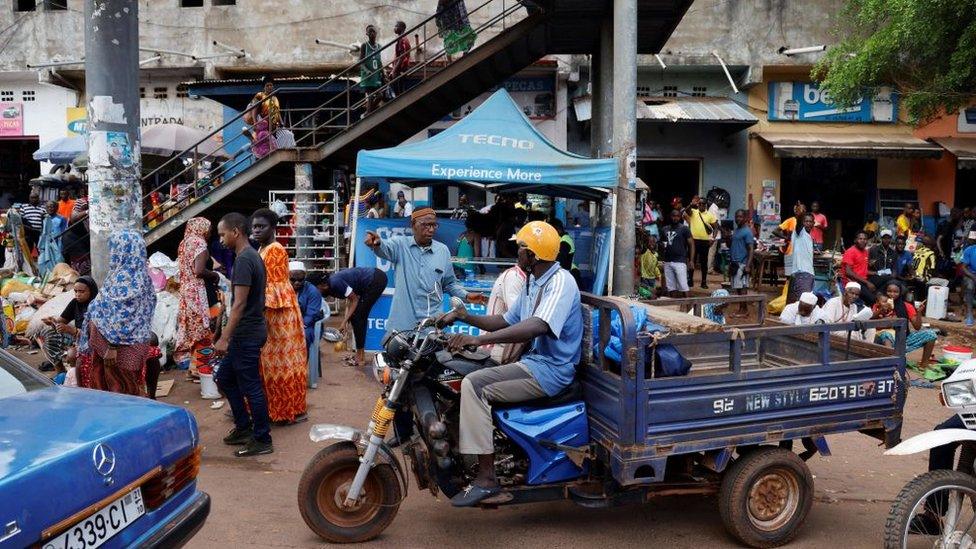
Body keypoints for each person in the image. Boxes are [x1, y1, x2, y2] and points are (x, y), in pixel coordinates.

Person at [435, 221, 581, 506]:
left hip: (551, 371)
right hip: (533, 363)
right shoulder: (532, 281)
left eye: (521, 249)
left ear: (533, 255)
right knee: (466, 372)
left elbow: (537, 326)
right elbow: (504, 320)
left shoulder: (561, 282)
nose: (517, 253)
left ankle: (487, 478)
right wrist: (465, 317)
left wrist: (475, 341)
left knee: (474, 386)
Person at [365, 207, 485, 333]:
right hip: (401, 328)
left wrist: (466, 295)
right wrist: (376, 244)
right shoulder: (400, 245)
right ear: (413, 225)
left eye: (434, 225)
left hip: (431, 328)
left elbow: (450, 283)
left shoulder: (442, 251)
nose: (431, 229)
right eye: (426, 225)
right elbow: (385, 248)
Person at [213, 212, 273, 457]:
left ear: (235, 231)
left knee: (251, 387)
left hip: (246, 333)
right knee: (225, 379)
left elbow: (238, 304)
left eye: (222, 234)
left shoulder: (245, 260)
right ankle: (244, 427)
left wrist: (224, 337)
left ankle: (262, 438)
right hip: (249, 330)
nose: (221, 240)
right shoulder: (249, 257)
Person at [250, 208, 308, 425]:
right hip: (273, 310)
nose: (256, 230)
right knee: (276, 362)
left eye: (261, 226)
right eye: (254, 226)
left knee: (281, 363)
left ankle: (285, 411)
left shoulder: (275, 249)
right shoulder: (262, 248)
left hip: (277, 313)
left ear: (273, 228)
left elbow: (271, 288)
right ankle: (276, 408)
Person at [83, 230, 156, 397]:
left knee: (120, 389)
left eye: (113, 249)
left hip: (117, 350)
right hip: (124, 346)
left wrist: (112, 346)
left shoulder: (127, 280)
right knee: (123, 387)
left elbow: (123, 318)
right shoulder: (140, 277)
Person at [309, 267, 388, 367]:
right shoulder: (330, 285)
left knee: (359, 317)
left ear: (323, 285)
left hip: (376, 279)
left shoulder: (335, 284)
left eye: (314, 289)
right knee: (356, 317)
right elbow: (350, 299)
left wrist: (344, 321)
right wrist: (346, 321)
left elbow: (354, 300)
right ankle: (359, 355)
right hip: (370, 280)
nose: (313, 293)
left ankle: (361, 357)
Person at [175, 218, 219, 378]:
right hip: (201, 293)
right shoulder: (199, 243)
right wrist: (215, 274)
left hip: (187, 293)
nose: (210, 233)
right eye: (209, 229)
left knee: (194, 329)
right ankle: (203, 369)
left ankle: (194, 368)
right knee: (206, 330)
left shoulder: (184, 242)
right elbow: (199, 270)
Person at [41, 276, 98, 381]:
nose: (77, 294)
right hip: (77, 338)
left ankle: (80, 378)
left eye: (81, 291)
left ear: (91, 291)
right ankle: (61, 372)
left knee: (72, 355)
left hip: (93, 341)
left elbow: (95, 333)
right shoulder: (75, 303)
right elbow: (61, 321)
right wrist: (52, 322)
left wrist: (72, 330)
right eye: (75, 291)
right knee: (48, 335)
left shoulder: (97, 306)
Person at [874, 281, 937, 371]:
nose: (892, 294)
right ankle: (891, 366)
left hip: (903, 338)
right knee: (886, 335)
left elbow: (917, 327)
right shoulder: (879, 304)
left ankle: (924, 365)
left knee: (931, 334)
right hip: (883, 339)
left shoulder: (907, 306)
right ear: (885, 292)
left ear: (900, 293)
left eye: (896, 292)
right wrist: (881, 310)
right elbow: (872, 320)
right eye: (889, 291)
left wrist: (919, 312)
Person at [484, 264, 528, 363]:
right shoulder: (514, 276)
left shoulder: (530, 279)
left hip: (509, 344)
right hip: (497, 346)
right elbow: (518, 317)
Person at [685, 196, 719, 289]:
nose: (701, 205)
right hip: (693, 241)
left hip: (704, 242)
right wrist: (691, 204)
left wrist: (713, 238)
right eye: (699, 204)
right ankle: (690, 280)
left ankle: (704, 282)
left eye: (703, 204)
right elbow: (686, 210)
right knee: (692, 261)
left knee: (704, 262)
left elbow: (716, 227)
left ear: (706, 205)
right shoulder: (694, 212)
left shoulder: (710, 215)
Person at [289, 261, 324, 347]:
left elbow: (311, 315)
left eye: (300, 280)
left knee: (304, 336)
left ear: (305, 277)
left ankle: (303, 360)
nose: (297, 283)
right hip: (287, 323)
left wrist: (297, 327)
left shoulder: (313, 291)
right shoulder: (283, 289)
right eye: (293, 280)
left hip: (308, 325)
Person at [661, 209, 694, 297]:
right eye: (673, 216)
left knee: (684, 287)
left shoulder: (684, 229)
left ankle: (690, 309)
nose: (675, 218)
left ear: (680, 217)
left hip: (680, 261)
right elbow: (662, 244)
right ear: (670, 217)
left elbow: (692, 244)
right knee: (671, 287)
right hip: (668, 261)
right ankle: (674, 308)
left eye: (677, 216)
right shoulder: (664, 229)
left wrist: (691, 260)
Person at [729, 209, 754, 317]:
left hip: (742, 263)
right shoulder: (736, 230)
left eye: (740, 217)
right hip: (735, 263)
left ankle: (744, 310)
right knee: (738, 288)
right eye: (736, 216)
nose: (738, 219)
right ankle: (742, 309)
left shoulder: (747, 231)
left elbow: (751, 249)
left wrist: (748, 265)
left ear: (745, 218)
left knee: (743, 288)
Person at [841, 231, 875, 305]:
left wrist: (876, 273)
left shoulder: (865, 252)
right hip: (853, 281)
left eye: (865, 239)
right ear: (855, 240)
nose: (863, 241)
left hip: (862, 279)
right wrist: (867, 283)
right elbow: (848, 272)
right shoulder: (850, 252)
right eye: (860, 239)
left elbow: (862, 269)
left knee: (886, 278)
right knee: (872, 299)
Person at [37, 201, 66, 277]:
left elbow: (63, 233)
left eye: (52, 206)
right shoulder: (45, 218)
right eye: (48, 207)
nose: (50, 208)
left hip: (57, 244)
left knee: (57, 261)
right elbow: (42, 232)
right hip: (46, 244)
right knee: (43, 261)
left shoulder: (61, 218)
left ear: (56, 208)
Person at [360, 25, 384, 114]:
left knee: (380, 96)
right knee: (370, 96)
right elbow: (361, 62)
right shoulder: (364, 46)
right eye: (370, 32)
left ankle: (368, 112)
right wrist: (366, 71)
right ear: (367, 34)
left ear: (376, 33)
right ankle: (368, 115)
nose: (372, 33)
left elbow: (379, 61)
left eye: (373, 31)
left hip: (376, 76)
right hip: (368, 77)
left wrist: (383, 73)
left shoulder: (379, 46)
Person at [391, 20, 412, 95]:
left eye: (397, 26)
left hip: (400, 69)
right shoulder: (404, 38)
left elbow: (402, 57)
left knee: (399, 92)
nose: (395, 28)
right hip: (402, 68)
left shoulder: (402, 39)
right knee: (401, 90)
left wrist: (394, 70)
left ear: (402, 28)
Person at [960, 231, 976, 325]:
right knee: (970, 285)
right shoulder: (969, 250)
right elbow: (963, 267)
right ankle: (969, 313)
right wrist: (973, 276)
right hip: (971, 274)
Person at [706, 199, 727, 274]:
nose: (722, 203)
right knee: (712, 251)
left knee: (713, 251)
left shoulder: (714, 208)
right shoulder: (714, 208)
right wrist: (723, 230)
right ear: (717, 201)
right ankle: (710, 269)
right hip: (714, 234)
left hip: (715, 234)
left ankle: (711, 268)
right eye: (721, 201)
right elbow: (716, 223)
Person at [639, 234, 660, 298]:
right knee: (645, 293)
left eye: (653, 241)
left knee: (651, 292)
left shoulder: (656, 254)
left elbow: (655, 266)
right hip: (645, 277)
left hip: (652, 277)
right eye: (650, 241)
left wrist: (658, 275)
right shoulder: (645, 251)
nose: (652, 243)